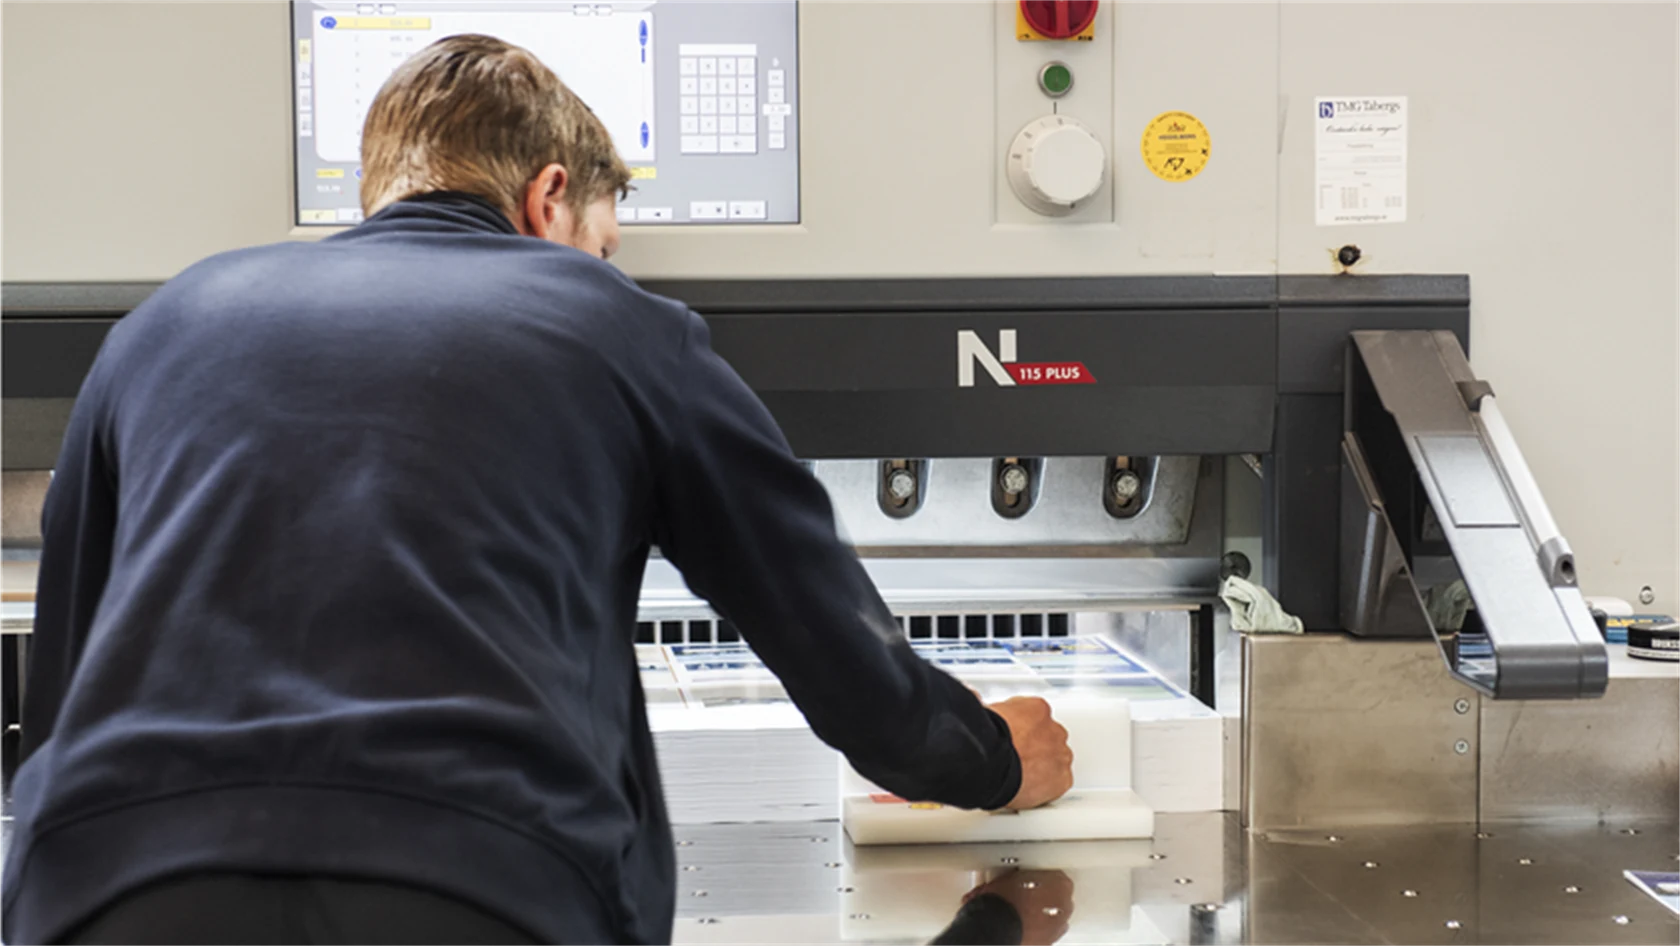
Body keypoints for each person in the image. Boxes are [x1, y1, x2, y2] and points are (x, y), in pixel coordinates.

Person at [1, 33, 1074, 946]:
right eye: (603, 246)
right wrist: (988, 761)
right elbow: (828, 644)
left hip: (107, 880)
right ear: (549, 196)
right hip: (472, 876)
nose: (603, 270)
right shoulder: (618, 325)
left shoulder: (164, 322)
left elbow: (63, 678)